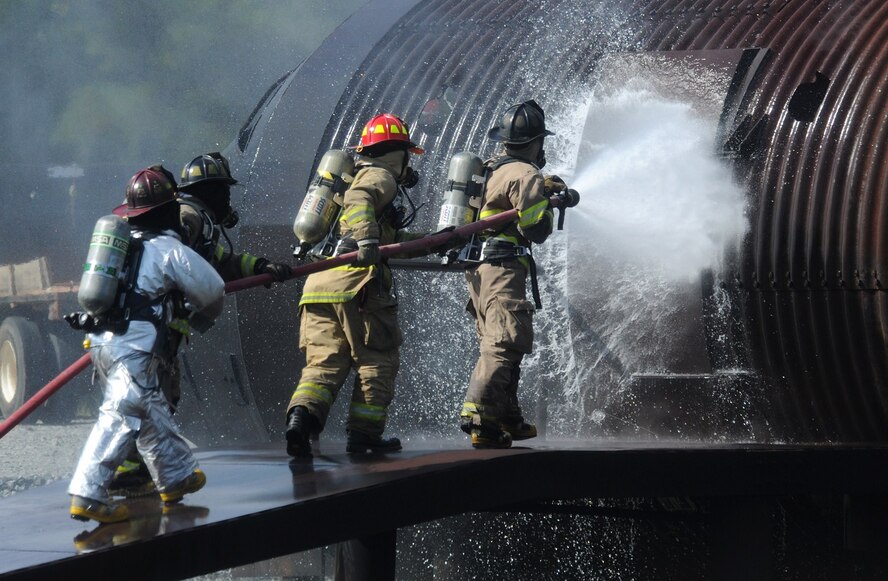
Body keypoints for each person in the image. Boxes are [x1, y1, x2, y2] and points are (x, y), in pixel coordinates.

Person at [109, 153, 291, 497]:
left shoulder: (199, 221)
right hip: (152, 326)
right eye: (225, 192)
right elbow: (173, 262)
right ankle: (129, 470)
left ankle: (135, 468)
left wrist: (261, 267)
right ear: (211, 192)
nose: (228, 200)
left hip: (161, 326)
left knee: (160, 395)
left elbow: (220, 262)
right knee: (152, 396)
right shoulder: (189, 217)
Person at [68, 167, 225, 523]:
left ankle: (176, 477)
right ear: (168, 210)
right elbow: (212, 289)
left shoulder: (120, 247)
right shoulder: (168, 250)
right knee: (119, 417)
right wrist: (203, 315)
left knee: (149, 410)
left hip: (101, 344)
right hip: (134, 350)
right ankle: (87, 495)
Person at [284, 112, 426, 457]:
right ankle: (365, 435)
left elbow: (390, 241)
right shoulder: (380, 176)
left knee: (324, 364)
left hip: (320, 283)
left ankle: (301, 419)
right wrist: (367, 240)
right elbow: (359, 202)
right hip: (357, 285)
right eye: (407, 154)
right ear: (398, 153)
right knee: (377, 359)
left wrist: (436, 241)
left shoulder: (348, 179)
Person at [459, 100, 565, 449]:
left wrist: (540, 189)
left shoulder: (492, 168)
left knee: (504, 341)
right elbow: (536, 228)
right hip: (503, 269)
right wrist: (546, 203)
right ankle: (481, 419)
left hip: (480, 270)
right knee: (503, 343)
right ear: (535, 142)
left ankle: (506, 416)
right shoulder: (525, 174)